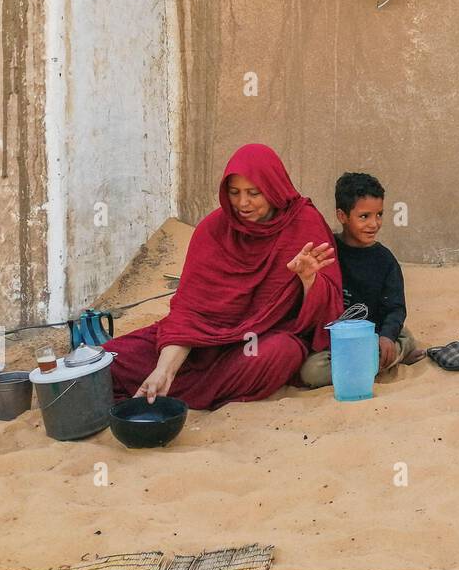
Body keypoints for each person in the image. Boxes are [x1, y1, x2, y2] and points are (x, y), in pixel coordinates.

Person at [104, 144, 343, 410]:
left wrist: (309, 280)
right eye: (234, 193)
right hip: (200, 346)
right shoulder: (212, 231)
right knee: (110, 359)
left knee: (281, 353)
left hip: (258, 342)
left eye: (254, 193)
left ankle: (187, 394)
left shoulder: (304, 224)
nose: (242, 203)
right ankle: (172, 386)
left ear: (275, 188)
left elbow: (326, 317)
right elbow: (188, 315)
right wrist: (164, 371)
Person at [300, 171, 418, 387]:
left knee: (392, 341)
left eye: (379, 215)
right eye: (364, 217)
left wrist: (387, 336)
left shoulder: (385, 260)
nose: (374, 224)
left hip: (374, 335)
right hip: (338, 340)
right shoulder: (329, 251)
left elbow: (396, 307)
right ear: (342, 216)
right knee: (312, 373)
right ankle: (375, 363)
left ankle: (400, 347)